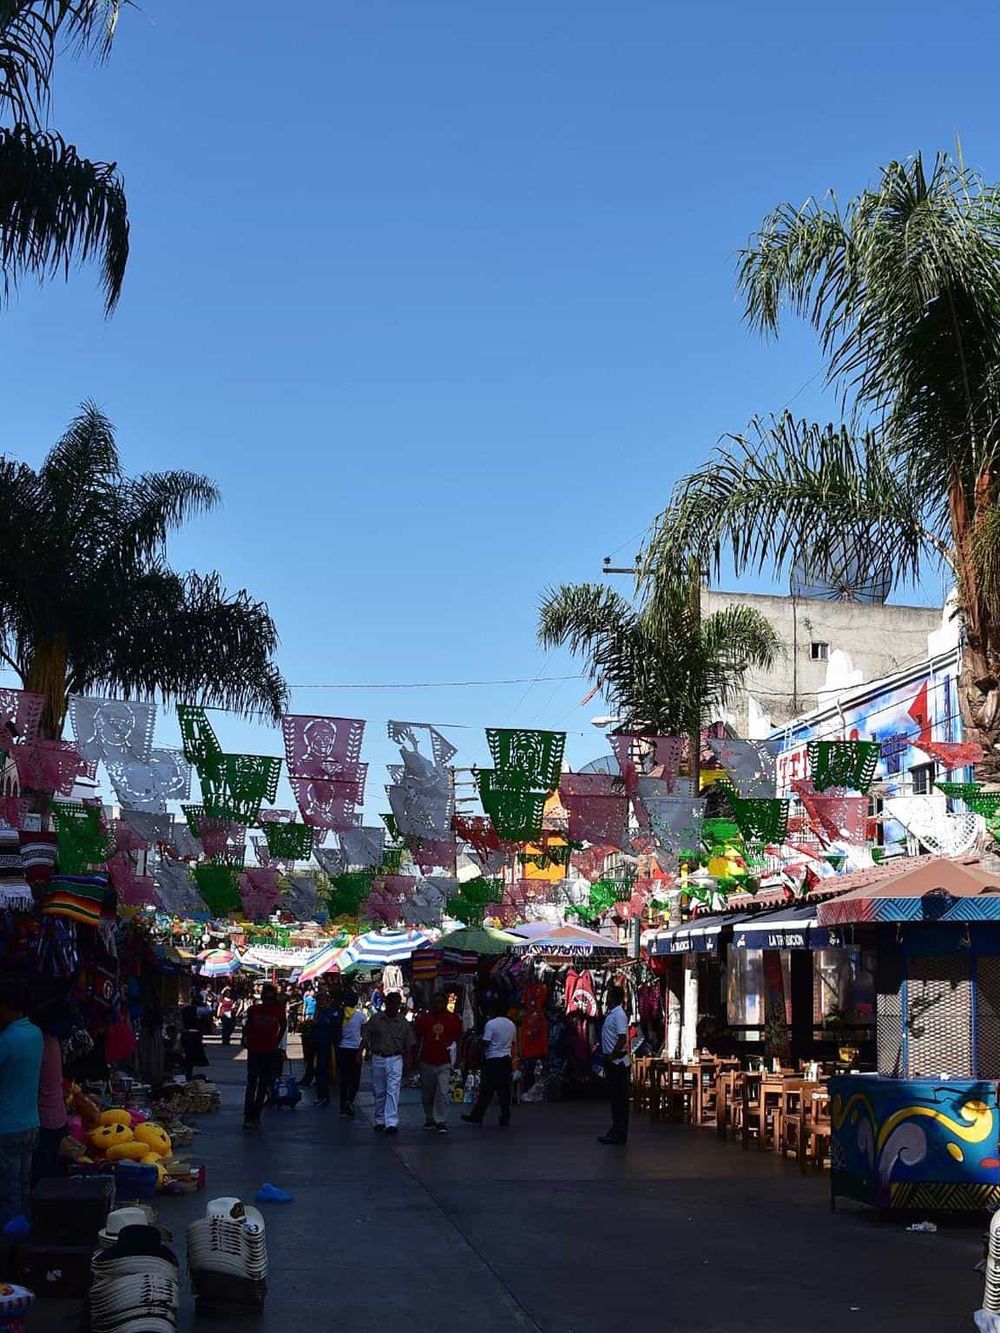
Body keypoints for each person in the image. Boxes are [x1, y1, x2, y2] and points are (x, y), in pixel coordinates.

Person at [0, 981, 43, 1225]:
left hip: (8, 1126)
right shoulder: (34, 1034)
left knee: (9, 1191)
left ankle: (11, 1245)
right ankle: (22, 1233)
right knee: (23, 1186)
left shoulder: (7, 1040)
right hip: (30, 1123)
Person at [362, 992, 414, 1135]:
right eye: (392, 1003)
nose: (394, 1006)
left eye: (397, 1003)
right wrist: (361, 1051)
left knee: (393, 1090)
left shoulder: (403, 1022)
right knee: (380, 1091)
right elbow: (366, 1036)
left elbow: (408, 1042)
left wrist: (409, 1059)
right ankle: (379, 1119)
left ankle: (391, 1122)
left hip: (396, 1058)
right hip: (378, 1058)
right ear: (387, 1003)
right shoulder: (376, 1019)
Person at [462, 1001, 516, 1128]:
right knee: (504, 1090)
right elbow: (512, 1043)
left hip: (492, 1060)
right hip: (505, 1060)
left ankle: (478, 1115)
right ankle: (505, 1116)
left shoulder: (491, 1024)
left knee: (486, 1090)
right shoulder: (511, 1025)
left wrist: (477, 1048)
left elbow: (486, 1042)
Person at [414, 991, 462, 1134]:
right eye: (436, 1001)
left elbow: (458, 1038)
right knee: (427, 1093)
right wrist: (415, 1057)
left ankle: (440, 1120)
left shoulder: (453, 1019)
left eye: (441, 1001)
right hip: (426, 1060)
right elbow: (417, 1038)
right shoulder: (424, 1019)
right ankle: (429, 1118)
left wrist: (458, 1057)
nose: (438, 1004)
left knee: (442, 1092)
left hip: (444, 1062)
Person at [241, 983, 286, 1130]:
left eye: (270, 997)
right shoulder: (254, 1009)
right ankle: (250, 1115)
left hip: (267, 1051)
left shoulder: (277, 1011)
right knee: (253, 1083)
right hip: (256, 1050)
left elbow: (284, 1026)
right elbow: (246, 1026)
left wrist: (276, 1042)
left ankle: (255, 1115)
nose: (267, 1000)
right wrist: (244, 1038)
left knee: (260, 1084)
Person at [598, 984, 630, 1145]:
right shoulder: (612, 1014)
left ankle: (620, 1132)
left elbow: (622, 1037)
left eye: (609, 996)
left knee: (620, 1100)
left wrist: (613, 1055)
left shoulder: (619, 1014)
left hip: (618, 1062)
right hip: (612, 1061)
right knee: (615, 1099)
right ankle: (615, 1129)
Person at [336, 989, 365, 1118]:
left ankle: (343, 1103)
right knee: (355, 1079)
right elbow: (364, 1035)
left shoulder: (339, 1014)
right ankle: (350, 1101)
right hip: (355, 1050)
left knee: (343, 1078)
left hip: (341, 1049)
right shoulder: (360, 1016)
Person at [311, 991, 337, 1107]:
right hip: (317, 1044)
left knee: (322, 1070)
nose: (320, 1003)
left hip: (326, 1045)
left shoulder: (330, 1013)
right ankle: (321, 1095)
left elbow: (333, 1027)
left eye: (322, 1000)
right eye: (318, 1000)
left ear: (327, 1001)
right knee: (318, 1071)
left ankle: (324, 1096)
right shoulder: (318, 1013)